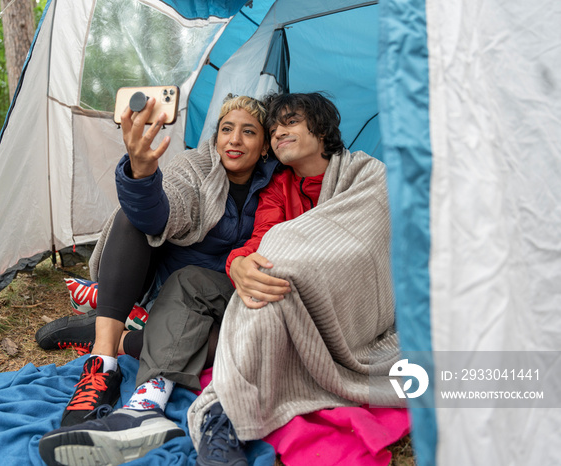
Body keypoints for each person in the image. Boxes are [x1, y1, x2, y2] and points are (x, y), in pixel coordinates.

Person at [38, 94, 279, 463]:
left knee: (238, 344)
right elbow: (162, 210)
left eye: (248, 132)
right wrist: (142, 174)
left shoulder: (278, 185)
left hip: (225, 299)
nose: (234, 140)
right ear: (215, 138)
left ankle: (119, 337)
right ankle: (102, 365)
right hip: (173, 291)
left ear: (265, 146)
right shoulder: (196, 168)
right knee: (131, 218)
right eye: (226, 129)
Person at [181, 92, 403, 466]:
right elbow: (264, 241)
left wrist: (304, 262)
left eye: (290, 121)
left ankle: (225, 412)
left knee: (274, 283)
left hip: (357, 303)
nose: (278, 132)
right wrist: (239, 264)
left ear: (320, 127)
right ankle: (225, 422)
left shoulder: (368, 175)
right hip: (289, 295)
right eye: (273, 128)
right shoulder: (278, 190)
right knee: (266, 289)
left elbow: (368, 247)